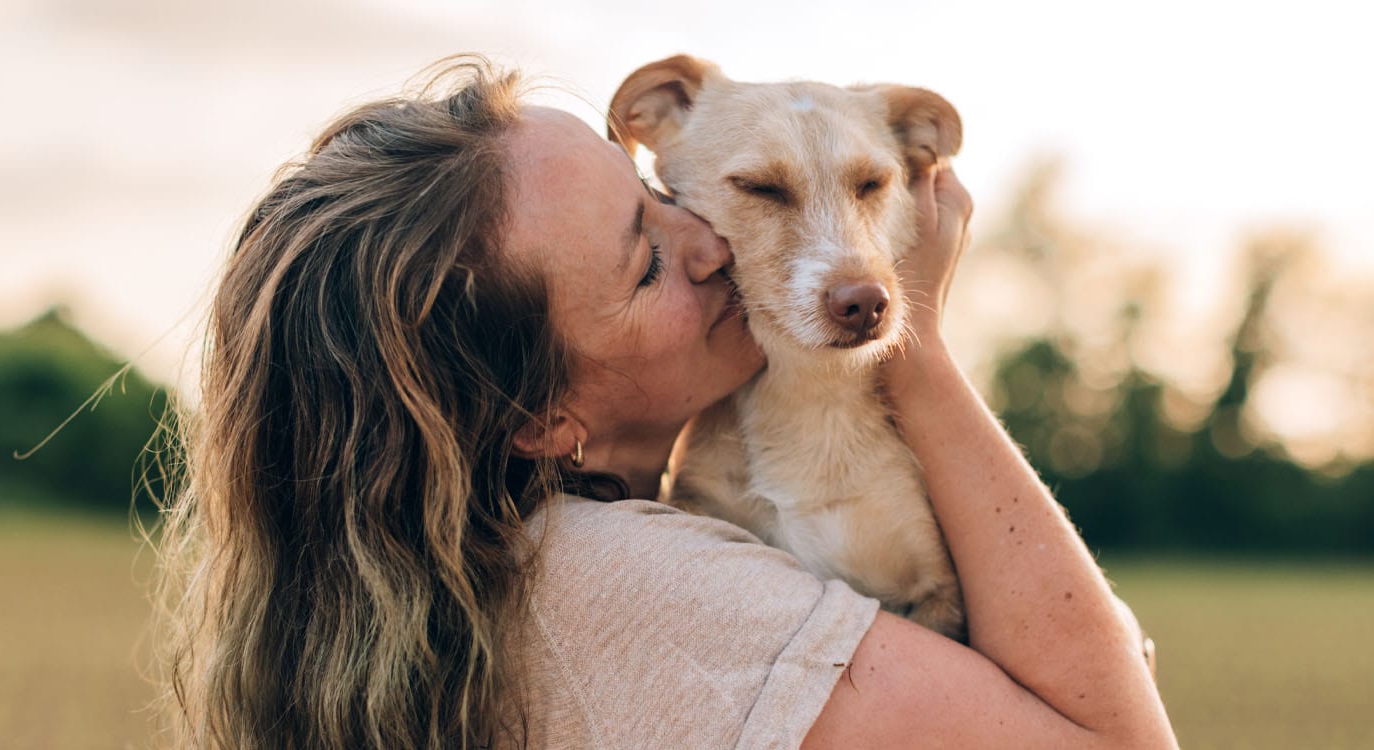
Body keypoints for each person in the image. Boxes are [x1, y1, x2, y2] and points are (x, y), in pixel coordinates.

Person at [154, 57, 1176, 749]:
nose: (711, 246)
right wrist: (921, 345)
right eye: (648, 263)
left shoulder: (522, 558)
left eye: (660, 201)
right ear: (541, 418)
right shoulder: (624, 581)